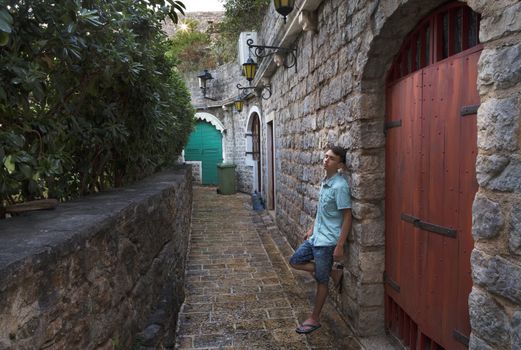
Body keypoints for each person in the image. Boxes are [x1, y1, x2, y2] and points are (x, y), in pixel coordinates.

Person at [289, 145, 352, 335]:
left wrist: (340, 245)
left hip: (328, 241)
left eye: (331, 158)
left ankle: (314, 319)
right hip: (316, 236)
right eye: (325, 156)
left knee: (321, 280)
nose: (326, 160)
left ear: (340, 164)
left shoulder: (340, 186)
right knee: (295, 261)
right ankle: (333, 273)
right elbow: (322, 211)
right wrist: (311, 228)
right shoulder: (326, 181)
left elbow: (347, 216)